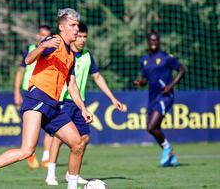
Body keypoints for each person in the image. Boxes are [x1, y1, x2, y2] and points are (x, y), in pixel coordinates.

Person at [0, 8, 93, 189]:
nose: (76, 29)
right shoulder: (53, 42)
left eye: (77, 25)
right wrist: (42, 46)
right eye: (72, 25)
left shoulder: (70, 56)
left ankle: (72, 186)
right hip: (37, 98)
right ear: (61, 27)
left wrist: (83, 108)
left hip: (54, 105)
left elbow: (72, 86)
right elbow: (28, 60)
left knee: (78, 144)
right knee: (27, 150)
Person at [45, 22, 124, 186]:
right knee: (58, 139)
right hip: (62, 101)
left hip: (79, 103)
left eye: (84, 36)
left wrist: (112, 98)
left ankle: (71, 173)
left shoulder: (87, 55)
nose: (81, 39)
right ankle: (51, 174)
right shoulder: (64, 53)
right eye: (79, 36)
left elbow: (98, 78)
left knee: (85, 138)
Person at [133, 31, 185, 167]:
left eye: (156, 40)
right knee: (154, 128)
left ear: (159, 41)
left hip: (165, 96)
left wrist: (170, 86)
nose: (153, 43)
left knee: (151, 127)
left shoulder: (166, 58)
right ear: (148, 42)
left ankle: (167, 148)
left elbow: (182, 69)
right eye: (151, 40)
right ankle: (171, 156)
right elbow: (145, 79)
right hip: (152, 97)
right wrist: (141, 82)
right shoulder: (144, 59)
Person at [14, 25, 53, 169]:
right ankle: (30, 154)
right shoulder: (29, 51)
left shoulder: (53, 50)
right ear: (38, 35)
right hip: (29, 91)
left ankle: (46, 157)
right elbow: (20, 72)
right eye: (42, 35)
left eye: (47, 35)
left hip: (44, 91)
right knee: (31, 127)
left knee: (50, 126)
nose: (44, 38)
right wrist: (16, 92)